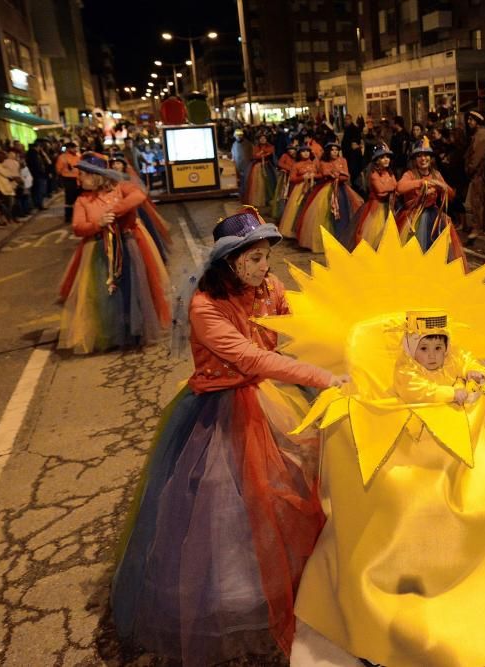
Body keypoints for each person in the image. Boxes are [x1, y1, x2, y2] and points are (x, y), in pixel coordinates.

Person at [110, 206, 346, 667]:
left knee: (293, 485)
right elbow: (253, 360)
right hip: (221, 407)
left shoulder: (270, 288)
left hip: (273, 398)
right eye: (254, 258)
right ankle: (240, 602)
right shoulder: (205, 306)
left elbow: (299, 327)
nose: (265, 268)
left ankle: (301, 582)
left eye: (266, 257)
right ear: (229, 260)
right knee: (224, 504)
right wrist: (321, 375)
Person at [290, 310, 485, 667]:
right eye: (425, 347)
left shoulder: (450, 356)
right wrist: (451, 392)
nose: (432, 355)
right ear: (413, 348)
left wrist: (473, 371)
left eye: (438, 347)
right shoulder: (408, 369)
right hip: (407, 448)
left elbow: (464, 358)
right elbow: (416, 391)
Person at [57, 154, 170, 354]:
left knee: (133, 289)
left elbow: (139, 195)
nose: (78, 179)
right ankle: (111, 334)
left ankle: (134, 332)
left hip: (128, 246)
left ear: (96, 175)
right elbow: (77, 227)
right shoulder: (82, 200)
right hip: (98, 252)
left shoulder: (120, 188)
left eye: (82, 174)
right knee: (105, 295)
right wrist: (97, 223)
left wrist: (113, 211)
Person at [395, 139, 463, 257]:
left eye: (426, 155)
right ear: (414, 159)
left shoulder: (436, 174)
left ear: (431, 158)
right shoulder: (410, 174)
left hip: (434, 216)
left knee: (437, 253)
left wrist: (442, 187)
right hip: (413, 218)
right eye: (419, 156)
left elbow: (451, 195)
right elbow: (400, 187)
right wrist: (422, 182)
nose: (423, 159)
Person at [294, 142, 364, 252]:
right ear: (328, 151)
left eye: (337, 150)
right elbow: (323, 174)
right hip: (327, 189)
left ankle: (342, 238)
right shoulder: (323, 162)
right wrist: (332, 175)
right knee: (324, 214)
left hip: (342, 189)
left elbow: (346, 175)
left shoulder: (343, 160)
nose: (335, 152)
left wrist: (337, 176)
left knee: (344, 212)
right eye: (332, 150)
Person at [350, 143, 396, 249]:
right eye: (382, 157)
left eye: (387, 157)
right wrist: (390, 187)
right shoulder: (374, 174)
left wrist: (388, 187)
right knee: (375, 231)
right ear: (376, 160)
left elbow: (395, 186)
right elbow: (380, 190)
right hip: (376, 206)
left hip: (388, 205)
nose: (386, 159)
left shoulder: (390, 172)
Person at [279, 144, 318, 240]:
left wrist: (314, 176)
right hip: (300, 189)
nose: (306, 153)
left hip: (313, 188)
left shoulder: (314, 164)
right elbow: (292, 179)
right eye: (303, 152)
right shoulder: (296, 165)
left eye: (307, 151)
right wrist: (302, 177)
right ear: (299, 154)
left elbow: (320, 174)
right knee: (297, 208)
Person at [464, 111, 485, 239]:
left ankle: (477, 227)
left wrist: (469, 169)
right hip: (479, 173)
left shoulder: (481, 135)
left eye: (471, 119)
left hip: (478, 173)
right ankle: (483, 226)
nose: (469, 122)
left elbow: (477, 157)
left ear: (478, 122)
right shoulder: (479, 134)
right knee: (480, 200)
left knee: (476, 201)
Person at [242, 133, 277, 208]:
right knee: (258, 183)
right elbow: (254, 156)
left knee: (269, 182)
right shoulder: (255, 147)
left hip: (267, 167)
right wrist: (263, 154)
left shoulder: (271, 147)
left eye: (264, 138)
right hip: (257, 167)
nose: (263, 140)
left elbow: (271, 154)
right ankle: (259, 199)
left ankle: (268, 199)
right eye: (261, 139)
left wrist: (262, 154)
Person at [272, 141, 298, 221]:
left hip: (294, 179)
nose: (291, 151)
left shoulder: (297, 157)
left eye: (293, 149)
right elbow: (280, 164)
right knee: (283, 195)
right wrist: (289, 169)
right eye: (290, 149)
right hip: (285, 179)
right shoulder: (285, 156)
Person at [56, 142, 81, 224]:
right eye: (73, 148)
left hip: (78, 180)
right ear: (69, 148)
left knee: (78, 199)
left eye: (75, 148)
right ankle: (68, 216)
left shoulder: (78, 156)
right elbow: (58, 170)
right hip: (69, 180)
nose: (75, 149)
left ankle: (78, 215)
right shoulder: (62, 157)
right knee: (69, 200)